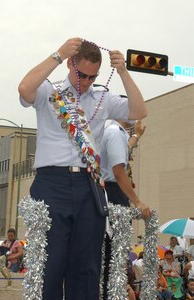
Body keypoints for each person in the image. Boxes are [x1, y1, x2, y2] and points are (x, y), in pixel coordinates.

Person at [18, 37, 147, 300]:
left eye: (92, 77)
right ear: (70, 64)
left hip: (89, 185)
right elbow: (24, 88)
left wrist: (123, 71)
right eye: (81, 75)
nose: (85, 82)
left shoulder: (102, 97)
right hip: (51, 183)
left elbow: (139, 110)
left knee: (86, 265)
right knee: (50, 263)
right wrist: (57, 54)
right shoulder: (49, 92)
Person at [100, 118, 150, 299]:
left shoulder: (110, 130)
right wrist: (137, 201)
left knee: (114, 252)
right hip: (114, 192)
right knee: (114, 251)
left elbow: (123, 152)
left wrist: (136, 135)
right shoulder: (115, 131)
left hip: (111, 191)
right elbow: (119, 172)